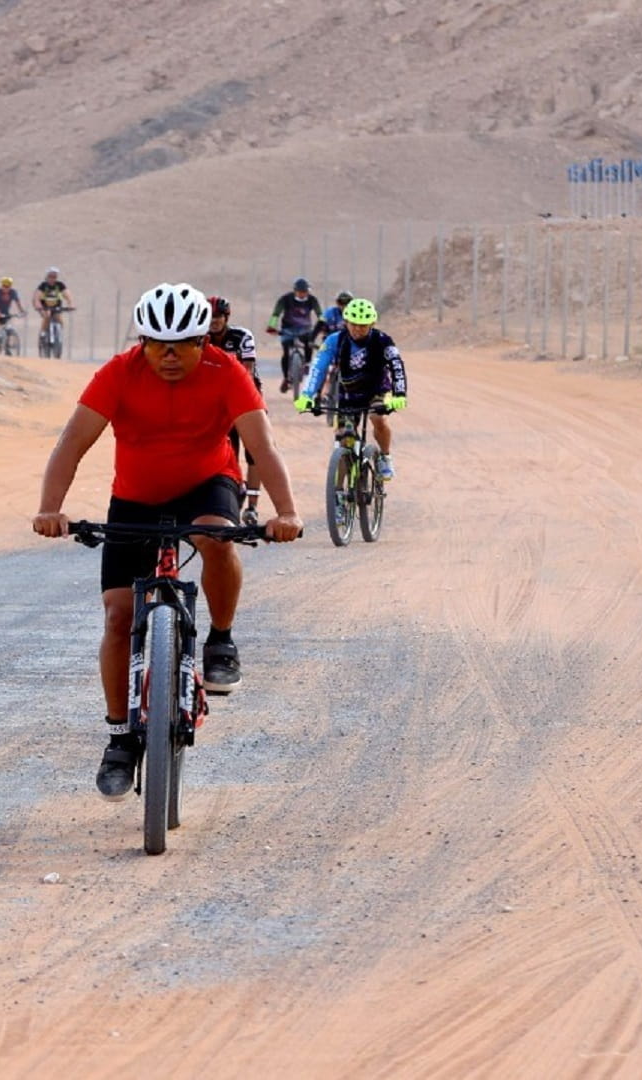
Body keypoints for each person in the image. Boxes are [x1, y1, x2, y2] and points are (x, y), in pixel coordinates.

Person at [32, 283, 303, 800]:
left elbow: (262, 446)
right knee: (117, 615)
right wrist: (50, 508)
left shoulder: (228, 372)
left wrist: (286, 512)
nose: (170, 356)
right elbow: (72, 442)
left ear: (205, 342)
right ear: (142, 342)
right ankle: (119, 739)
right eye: (157, 345)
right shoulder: (118, 372)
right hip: (135, 496)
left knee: (215, 537)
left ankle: (220, 638)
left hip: (208, 484)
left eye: (183, 345)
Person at [295, 297, 407, 479]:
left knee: (378, 418)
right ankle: (339, 490)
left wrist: (399, 394)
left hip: (376, 390)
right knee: (343, 436)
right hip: (349, 393)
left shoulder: (383, 340)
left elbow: (396, 366)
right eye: (353, 324)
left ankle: (385, 457)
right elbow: (318, 367)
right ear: (346, 321)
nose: (357, 329)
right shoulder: (334, 340)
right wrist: (307, 395)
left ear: (372, 324)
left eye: (363, 325)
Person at [206, 295, 265, 525]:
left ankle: (252, 507)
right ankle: (230, 495)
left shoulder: (242, 336)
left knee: (255, 452)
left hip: (248, 399)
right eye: (210, 317)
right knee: (226, 453)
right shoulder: (200, 339)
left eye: (218, 316)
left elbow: (246, 372)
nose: (214, 321)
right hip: (218, 404)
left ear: (226, 317)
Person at [266, 277, 323, 396]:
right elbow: (276, 313)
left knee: (309, 343)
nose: (302, 294)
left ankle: (307, 364)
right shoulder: (285, 299)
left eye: (305, 292)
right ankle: (286, 377)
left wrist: (323, 325)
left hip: (305, 329)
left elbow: (320, 314)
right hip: (288, 329)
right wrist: (271, 326)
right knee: (286, 352)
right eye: (300, 292)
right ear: (295, 291)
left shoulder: (312, 300)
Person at [33, 267, 74, 346]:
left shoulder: (60, 285)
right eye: (50, 276)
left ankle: (58, 335)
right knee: (47, 316)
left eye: (54, 277)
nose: (52, 279)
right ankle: (43, 333)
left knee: (60, 320)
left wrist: (70, 304)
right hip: (45, 306)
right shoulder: (43, 285)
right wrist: (38, 306)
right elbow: (36, 297)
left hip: (56, 306)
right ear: (47, 277)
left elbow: (67, 294)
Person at [0, 276, 25, 345]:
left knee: (8, 327)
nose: (6, 288)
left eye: (8, 286)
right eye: (4, 286)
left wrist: (21, 311)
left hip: (6, 312)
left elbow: (17, 302)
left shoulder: (13, 292)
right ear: (1, 285)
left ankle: (7, 344)